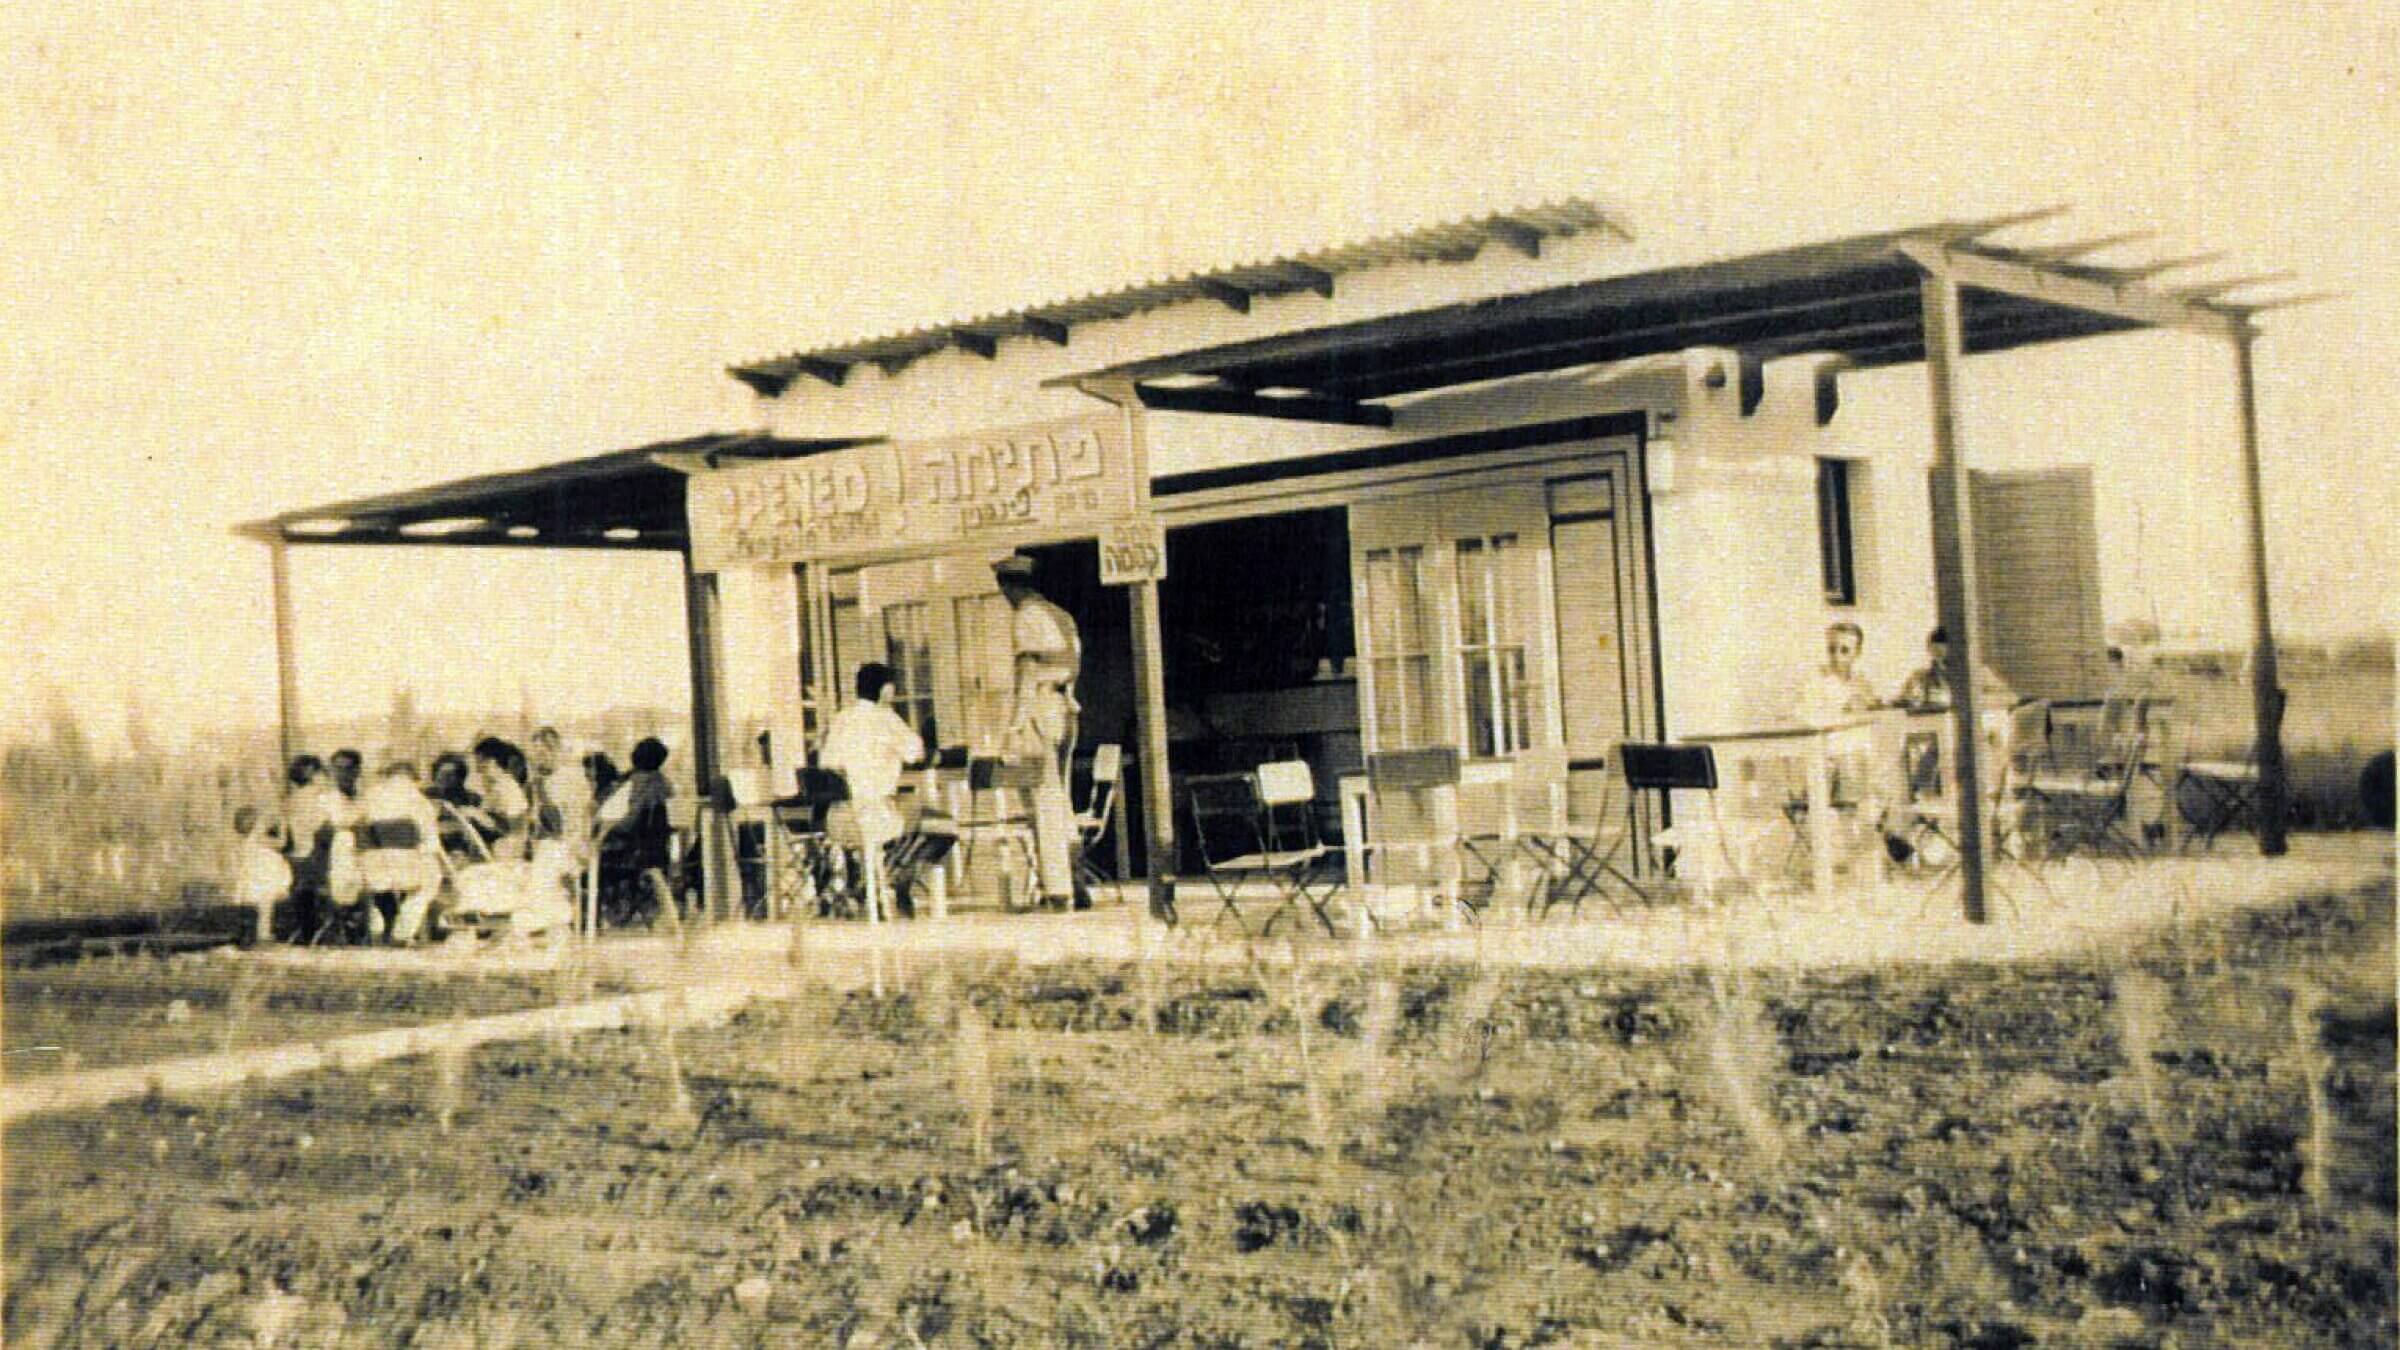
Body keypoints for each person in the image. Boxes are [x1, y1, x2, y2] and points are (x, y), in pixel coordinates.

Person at [995, 553, 1086, 909]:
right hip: (1064, 706)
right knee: (1060, 798)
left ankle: (1058, 890)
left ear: (1008, 587)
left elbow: (1028, 672)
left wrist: (1015, 726)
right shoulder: (1060, 616)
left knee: (1042, 800)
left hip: (1041, 707)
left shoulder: (1027, 616)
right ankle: (1076, 880)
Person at [819, 662, 929, 921]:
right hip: (878, 817)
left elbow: (827, 763)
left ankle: (865, 877)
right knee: (931, 820)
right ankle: (896, 879)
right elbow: (915, 753)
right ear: (885, 690)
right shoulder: (886, 718)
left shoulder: (841, 719)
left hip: (839, 820)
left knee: (886, 819)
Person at [357, 761, 446, 944]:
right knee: (432, 879)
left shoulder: (368, 797)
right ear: (414, 779)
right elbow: (430, 843)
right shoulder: (419, 800)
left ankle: (377, 925)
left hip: (373, 868)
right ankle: (403, 932)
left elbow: (359, 833)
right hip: (406, 866)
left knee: (378, 888)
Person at [1894, 626, 2017, 714]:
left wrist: (1973, 701)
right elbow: (1903, 702)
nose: (1942, 663)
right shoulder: (1920, 676)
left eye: (1944, 652)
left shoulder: (1978, 673)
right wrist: (1909, 702)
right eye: (1935, 653)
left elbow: (2010, 698)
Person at [1795, 621, 1882, 726]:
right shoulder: (1815, 679)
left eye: (1844, 650)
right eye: (1832, 649)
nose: (1836, 656)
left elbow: (1875, 713)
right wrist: (1844, 710)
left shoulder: (1861, 682)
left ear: (1857, 652)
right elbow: (1803, 718)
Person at [230, 805, 291, 943]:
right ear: (254, 825)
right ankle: (263, 934)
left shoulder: (246, 841)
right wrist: (283, 827)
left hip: (255, 877)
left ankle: (248, 932)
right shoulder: (258, 838)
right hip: (264, 877)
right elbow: (281, 843)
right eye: (261, 822)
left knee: (256, 908)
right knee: (265, 908)